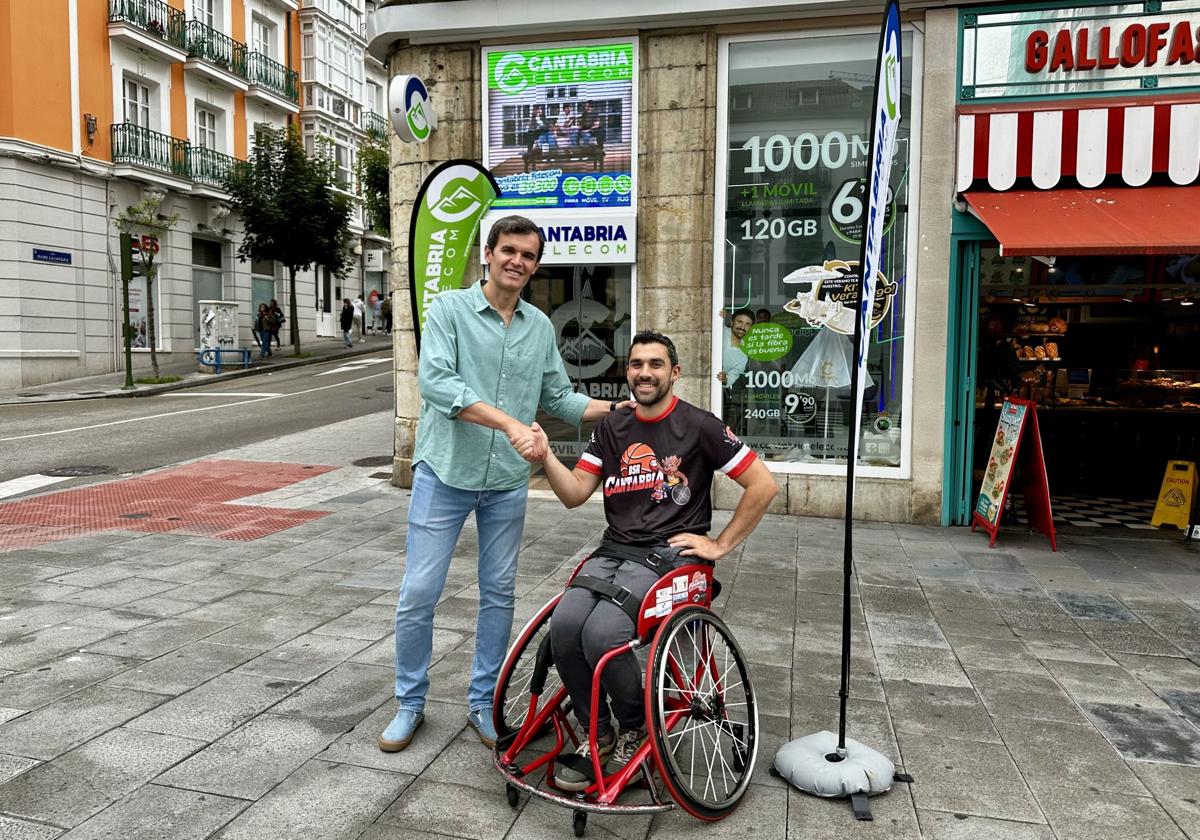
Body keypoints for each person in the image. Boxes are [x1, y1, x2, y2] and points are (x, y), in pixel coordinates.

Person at [378, 215, 634, 754]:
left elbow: (560, 399)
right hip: (445, 472)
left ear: (536, 264)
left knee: (498, 594)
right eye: (509, 250)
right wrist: (511, 423)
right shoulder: (448, 309)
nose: (518, 261)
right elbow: (437, 384)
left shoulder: (539, 326)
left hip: (506, 481)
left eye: (529, 255)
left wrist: (618, 408)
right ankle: (409, 703)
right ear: (488, 254)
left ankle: (482, 704)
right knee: (419, 592)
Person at [524, 330, 777, 790]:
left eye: (655, 364)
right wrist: (545, 458)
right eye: (637, 364)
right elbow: (576, 493)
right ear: (628, 372)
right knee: (564, 626)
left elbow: (764, 486)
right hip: (615, 550)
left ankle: (636, 724)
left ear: (674, 372)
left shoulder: (699, 425)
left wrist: (718, 546)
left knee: (603, 632)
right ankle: (597, 731)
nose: (644, 372)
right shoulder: (613, 427)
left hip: (669, 555)